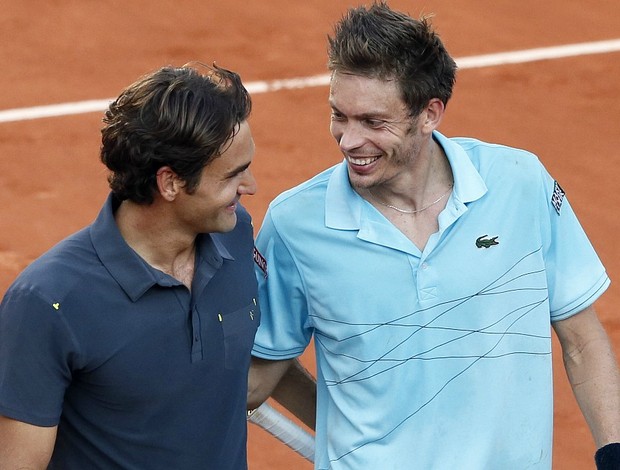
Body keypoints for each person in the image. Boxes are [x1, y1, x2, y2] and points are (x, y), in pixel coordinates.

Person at [247, 2, 620, 469]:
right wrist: (342, 427)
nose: (347, 141)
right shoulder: (295, 225)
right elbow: (263, 370)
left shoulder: (520, 184)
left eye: (373, 122)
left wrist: (614, 450)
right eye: (338, 115)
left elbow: (582, 339)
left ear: (430, 113)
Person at [0, 62, 259, 469]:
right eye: (232, 176)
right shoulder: (49, 301)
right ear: (170, 183)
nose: (250, 187)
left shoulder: (235, 233)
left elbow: (236, 371)